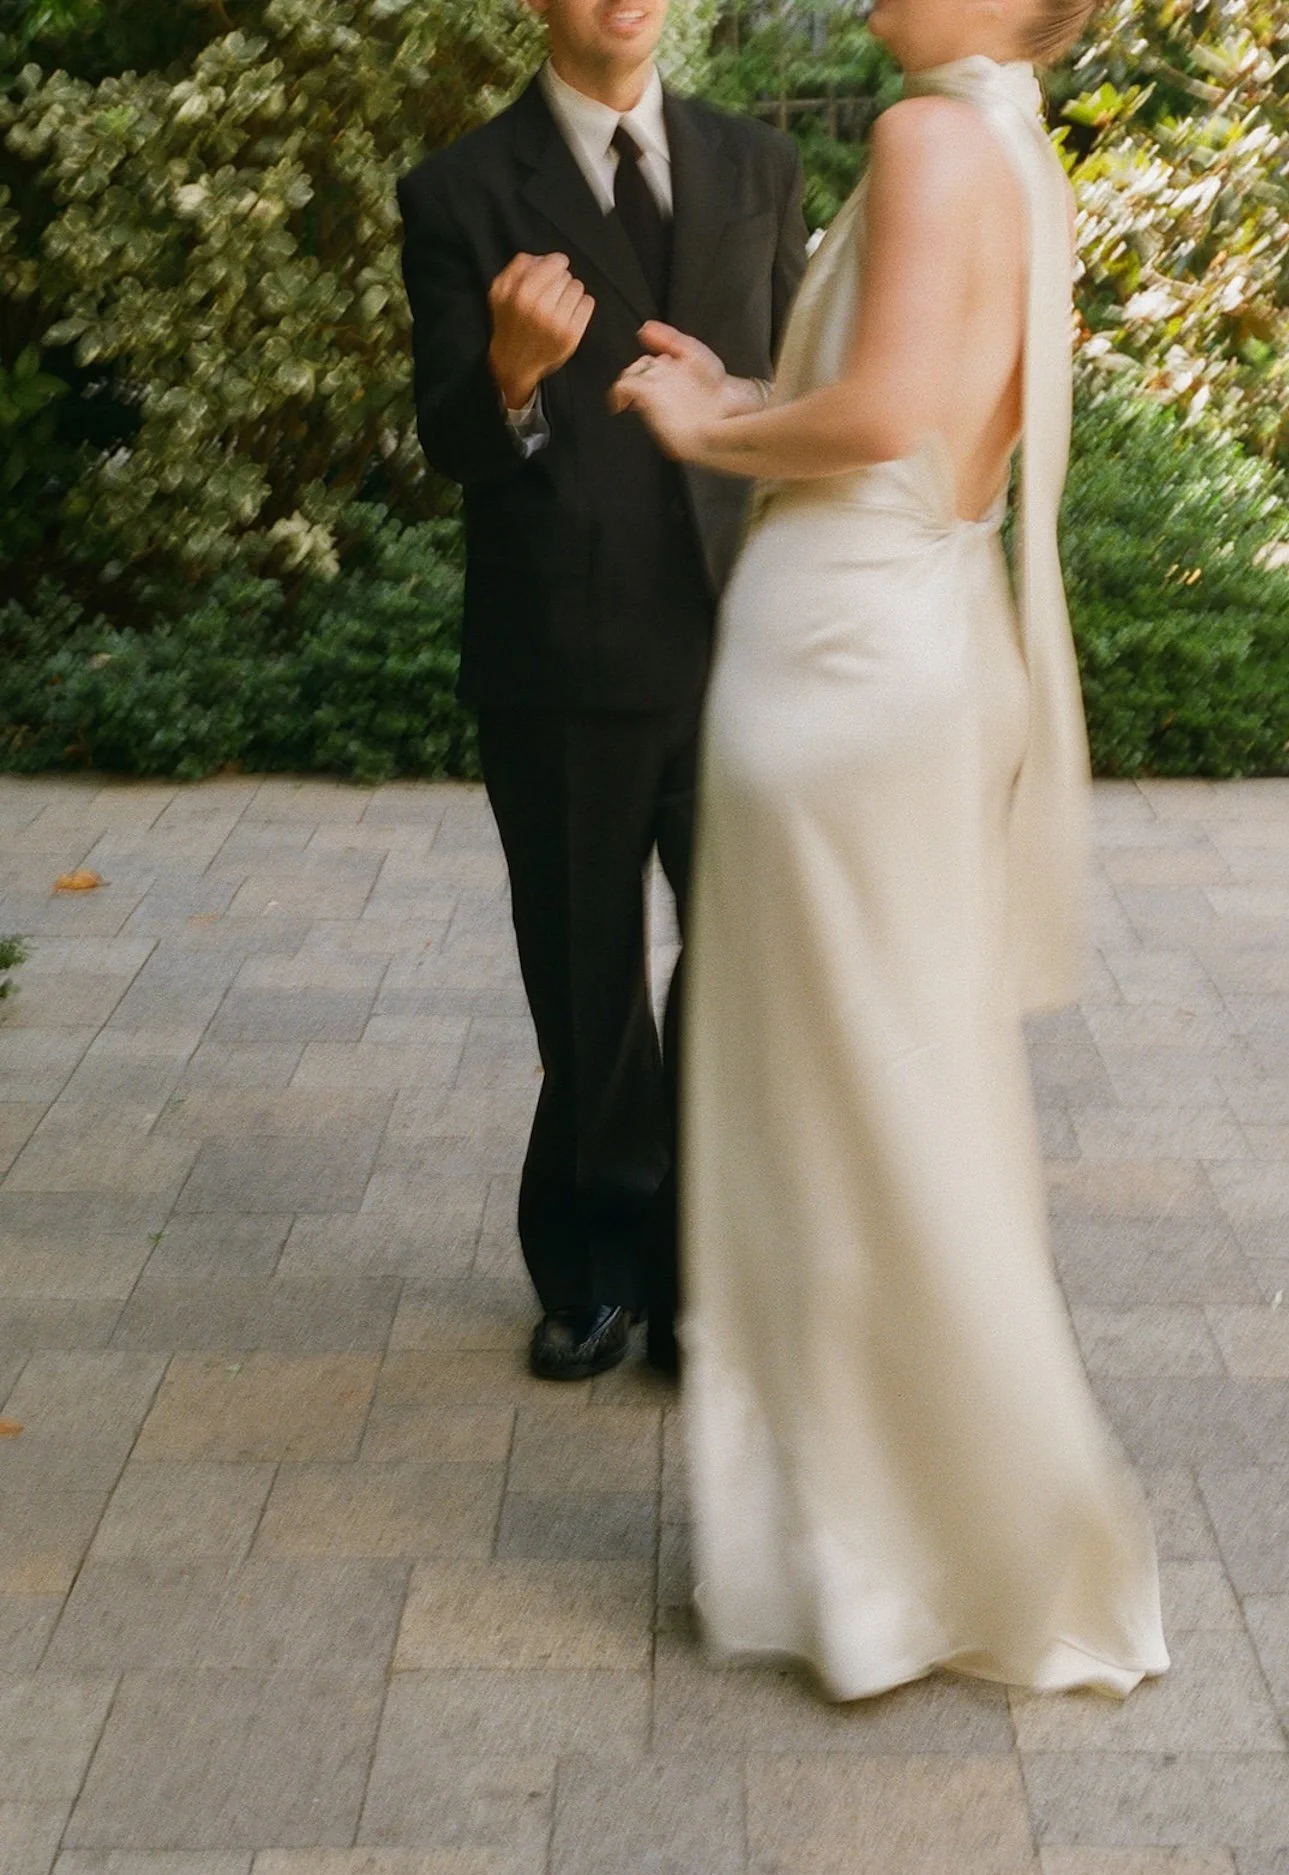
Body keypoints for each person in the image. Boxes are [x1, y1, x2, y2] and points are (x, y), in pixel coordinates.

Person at [612, 0, 1168, 1693]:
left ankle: (895, 1555)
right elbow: (910, 410)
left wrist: (713, 431)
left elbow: (885, 420)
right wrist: (747, 383)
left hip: (842, 666)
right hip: (906, 644)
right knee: (892, 1098)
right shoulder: (998, 133)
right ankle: (908, 1542)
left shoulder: (931, 137)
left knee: (837, 1113)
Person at [398, 0, 807, 1379]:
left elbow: (801, 385)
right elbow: (451, 439)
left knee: (741, 980)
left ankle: (704, 1272)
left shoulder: (758, 166)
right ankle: (592, 1264)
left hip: (740, 644)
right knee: (584, 986)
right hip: (559, 662)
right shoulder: (459, 188)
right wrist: (511, 370)